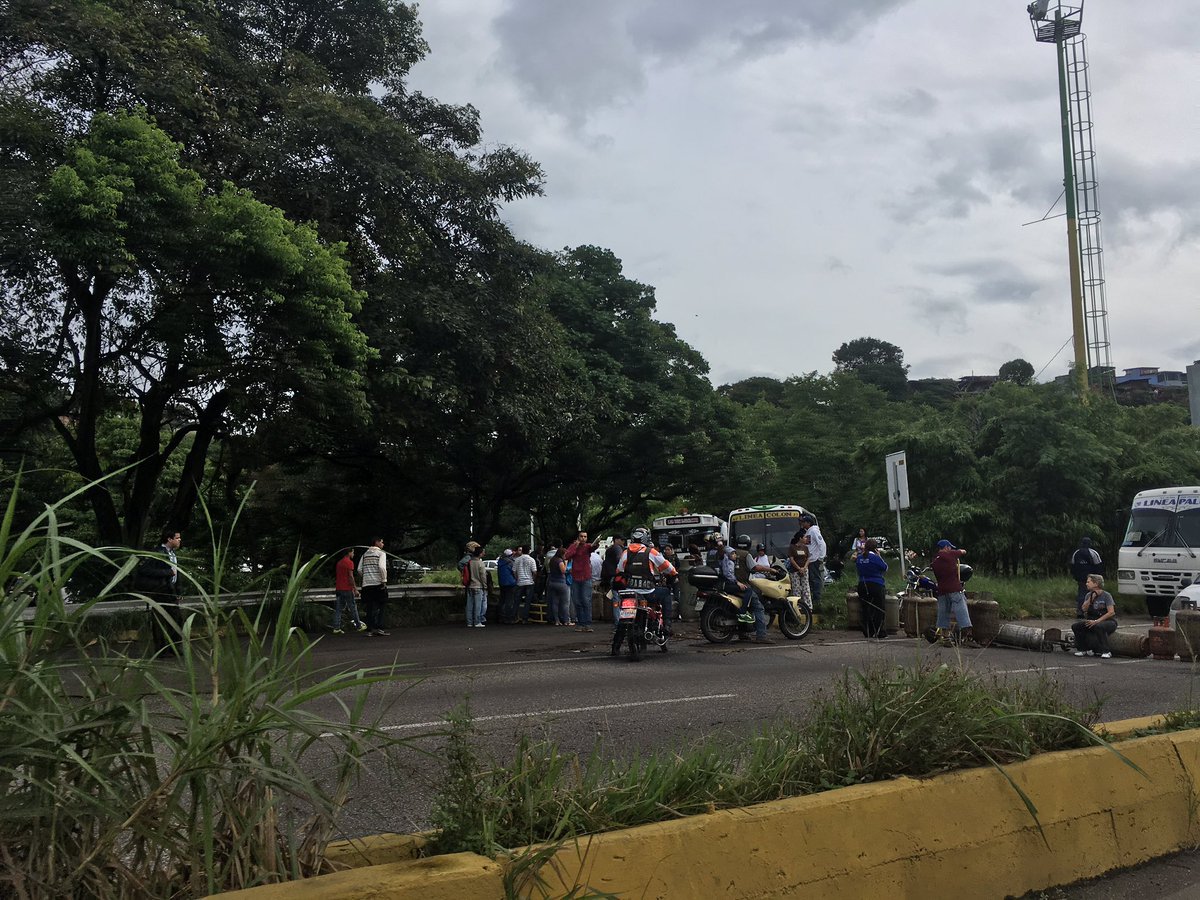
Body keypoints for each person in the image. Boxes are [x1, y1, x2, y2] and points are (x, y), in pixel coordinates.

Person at [612, 526, 678, 655]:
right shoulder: (651, 552)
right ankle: (667, 626)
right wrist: (675, 574)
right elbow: (668, 568)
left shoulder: (625, 553)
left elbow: (619, 571)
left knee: (623, 618)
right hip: (649, 593)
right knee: (665, 594)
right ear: (646, 538)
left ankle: (615, 647)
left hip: (630, 593)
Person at [139, 527, 184, 652]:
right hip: (160, 591)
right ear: (169, 539)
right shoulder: (158, 553)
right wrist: (167, 572)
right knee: (159, 621)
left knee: (177, 619)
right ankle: (161, 650)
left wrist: (178, 591)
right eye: (177, 538)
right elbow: (144, 570)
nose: (180, 540)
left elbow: (177, 574)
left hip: (171, 591)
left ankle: (174, 647)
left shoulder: (172, 554)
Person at [929, 539, 978, 648]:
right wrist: (961, 551)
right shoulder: (950, 554)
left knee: (943, 614)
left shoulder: (935, 561)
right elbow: (962, 551)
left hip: (941, 591)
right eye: (950, 547)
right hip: (955, 589)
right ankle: (968, 638)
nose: (951, 548)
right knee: (962, 613)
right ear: (946, 547)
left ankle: (946, 638)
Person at [731, 534, 770, 643]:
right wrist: (771, 570)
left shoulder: (732, 552)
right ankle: (761, 636)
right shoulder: (746, 555)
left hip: (732, 584)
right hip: (742, 586)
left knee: (746, 607)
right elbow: (755, 567)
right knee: (759, 607)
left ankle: (742, 633)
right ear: (748, 545)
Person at [1072, 574, 1117, 659]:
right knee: (1076, 626)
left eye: (1088, 582)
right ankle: (1083, 649)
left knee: (1099, 627)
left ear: (1096, 583)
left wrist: (1097, 621)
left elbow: (1111, 612)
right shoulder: (1088, 595)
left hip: (1108, 621)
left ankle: (1106, 651)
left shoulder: (1106, 595)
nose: (1086, 584)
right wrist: (1091, 598)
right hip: (1092, 620)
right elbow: (1084, 609)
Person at [855, 539, 889, 639]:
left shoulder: (860, 558)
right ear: (875, 548)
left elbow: (858, 569)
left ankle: (867, 630)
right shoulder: (875, 558)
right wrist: (880, 556)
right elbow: (885, 567)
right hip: (876, 584)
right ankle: (879, 631)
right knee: (879, 609)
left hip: (862, 584)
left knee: (865, 608)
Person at [564, 530, 597, 633]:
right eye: (581, 536)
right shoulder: (573, 546)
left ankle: (587, 623)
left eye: (585, 536)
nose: (583, 538)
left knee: (586, 601)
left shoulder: (587, 547)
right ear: (578, 538)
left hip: (586, 577)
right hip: (576, 577)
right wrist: (575, 546)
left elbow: (593, 547)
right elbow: (567, 556)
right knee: (577, 601)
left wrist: (596, 543)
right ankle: (580, 623)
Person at [358, 536, 390, 636]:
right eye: (382, 542)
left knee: (369, 607)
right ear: (377, 542)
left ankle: (369, 630)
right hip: (378, 583)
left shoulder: (365, 554)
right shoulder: (381, 553)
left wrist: (366, 576)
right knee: (382, 605)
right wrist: (384, 580)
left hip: (366, 584)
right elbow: (382, 567)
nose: (383, 544)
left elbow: (359, 569)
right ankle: (379, 627)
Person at [332, 547, 367, 634]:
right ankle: (358, 625)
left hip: (339, 588)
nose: (353, 554)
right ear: (349, 553)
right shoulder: (349, 563)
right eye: (353, 552)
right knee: (353, 608)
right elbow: (350, 577)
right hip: (347, 588)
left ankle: (336, 627)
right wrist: (355, 589)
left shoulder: (339, 563)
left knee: (339, 609)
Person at [1070, 537, 1104, 614]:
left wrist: (1075, 576)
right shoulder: (1093, 553)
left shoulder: (1076, 553)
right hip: (1092, 578)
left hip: (1080, 578)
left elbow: (1072, 566)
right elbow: (1098, 565)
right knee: (1094, 593)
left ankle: (1080, 611)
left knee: (1081, 594)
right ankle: (1093, 611)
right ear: (1090, 543)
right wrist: (1099, 577)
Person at [801, 514, 827, 612]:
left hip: (814, 560)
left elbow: (822, 544)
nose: (802, 523)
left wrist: (820, 557)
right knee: (811, 581)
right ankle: (813, 602)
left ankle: (817, 602)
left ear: (808, 523)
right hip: (810, 560)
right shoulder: (809, 531)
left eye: (804, 522)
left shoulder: (814, 531)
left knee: (816, 581)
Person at [464, 541, 487, 628]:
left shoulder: (469, 562)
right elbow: (483, 576)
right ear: (480, 554)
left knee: (469, 605)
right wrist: (485, 586)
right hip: (478, 586)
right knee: (478, 605)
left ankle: (469, 622)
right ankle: (477, 622)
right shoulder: (480, 563)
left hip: (470, 585)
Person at [511, 545, 537, 623]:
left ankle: (514, 617)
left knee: (516, 601)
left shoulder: (517, 560)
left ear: (522, 551)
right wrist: (533, 579)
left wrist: (517, 578)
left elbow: (514, 571)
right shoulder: (531, 560)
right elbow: (534, 572)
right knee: (527, 601)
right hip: (529, 582)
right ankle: (524, 618)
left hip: (520, 582)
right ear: (529, 551)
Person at [786, 532, 812, 610]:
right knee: (796, 589)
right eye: (804, 537)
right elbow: (791, 559)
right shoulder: (792, 547)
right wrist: (798, 568)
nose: (806, 539)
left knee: (806, 588)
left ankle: (808, 607)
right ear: (800, 538)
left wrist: (804, 568)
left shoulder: (805, 548)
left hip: (804, 570)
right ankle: (798, 607)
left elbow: (808, 558)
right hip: (795, 571)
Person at [546, 547, 570, 625]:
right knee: (565, 603)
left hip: (552, 582)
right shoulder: (560, 561)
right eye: (565, 554)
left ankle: (556, 620)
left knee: (554, 603)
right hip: (561, 583)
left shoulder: (552, 560)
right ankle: (566, 621)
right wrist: (566, 563)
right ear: (562, 554)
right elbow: (563, 571)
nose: (565, 556)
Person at [497, 549, 517, 624]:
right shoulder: (510, 562)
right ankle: (508, 618)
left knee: (502, 600)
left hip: (502, 583)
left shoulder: (500, 562)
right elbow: (514, 572)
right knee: (509, 601)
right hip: (511, 583)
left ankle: (500, 616)